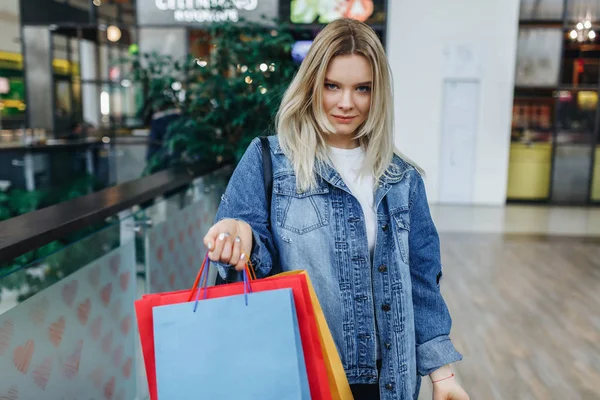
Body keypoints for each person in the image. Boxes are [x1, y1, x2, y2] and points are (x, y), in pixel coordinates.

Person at [203, 18, 469, 400]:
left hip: (388, 385)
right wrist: (238, 237)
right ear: (312, 84)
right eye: (332, 86)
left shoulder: (402, 179)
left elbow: (421, 284)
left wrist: (443, 376)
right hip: (302, 379)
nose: (346, 102)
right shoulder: (271, 161)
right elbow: (245, 250)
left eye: (362, 89)